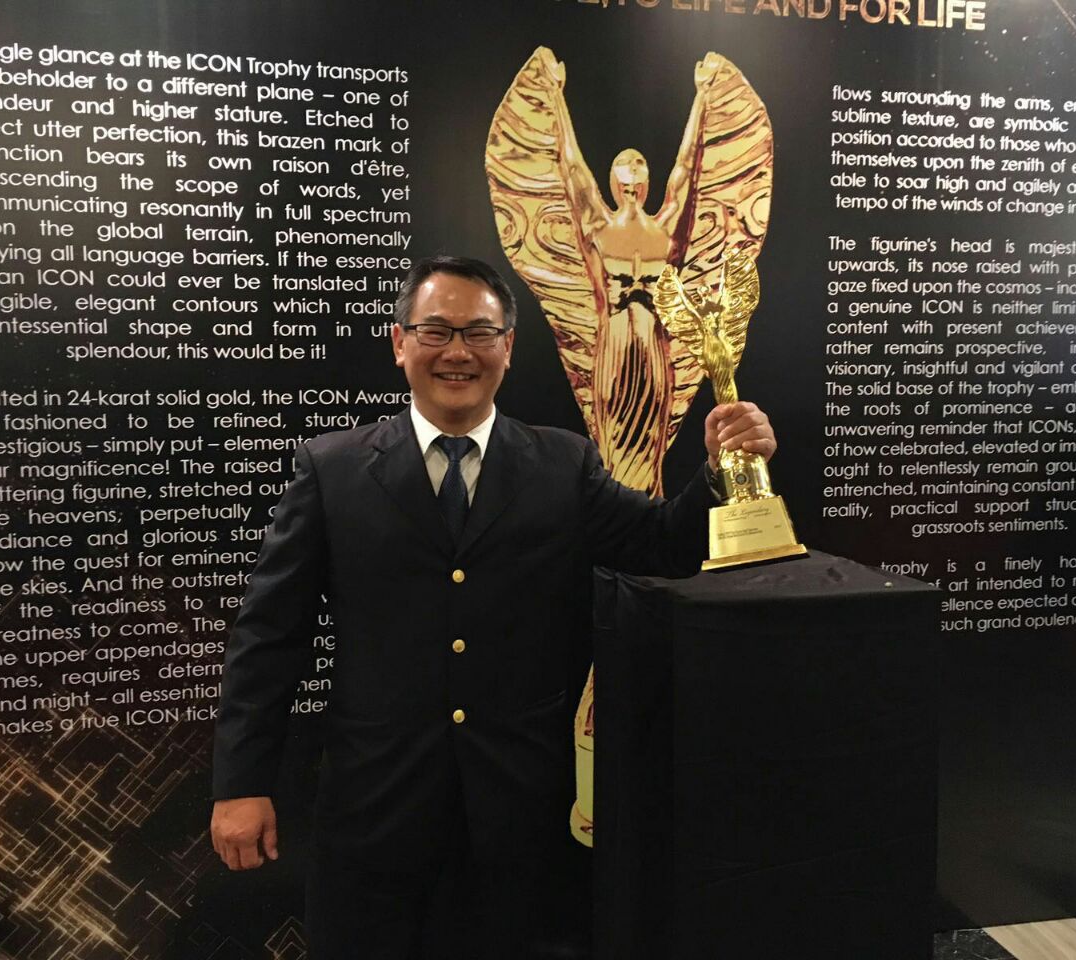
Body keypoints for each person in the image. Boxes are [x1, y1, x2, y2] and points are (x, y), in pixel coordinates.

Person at [209, 255, 777, 959]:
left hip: (523, 816)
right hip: (373, 813)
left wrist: (723, 468)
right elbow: (270, 635)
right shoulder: (332, 470)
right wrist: (241, 783)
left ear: (508, 347)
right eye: (436, 331)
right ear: (400, 342)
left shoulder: (563, 465)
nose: (458, 352)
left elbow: (663, 544)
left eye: (479, 333)